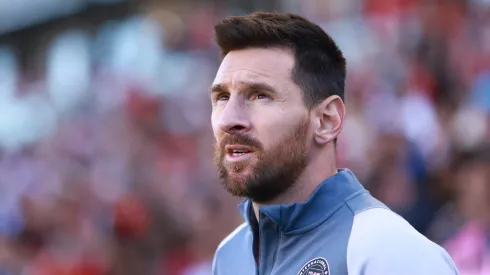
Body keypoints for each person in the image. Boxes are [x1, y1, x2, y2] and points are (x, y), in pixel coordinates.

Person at [209, 12, 459, 275]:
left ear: (327, 121)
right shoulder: (229, 255)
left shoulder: (388, 250)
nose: (228, 120)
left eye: (260, 95)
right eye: (222, 97)